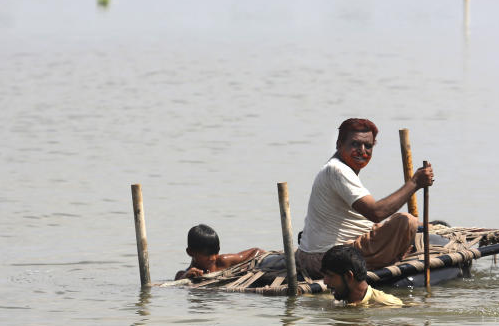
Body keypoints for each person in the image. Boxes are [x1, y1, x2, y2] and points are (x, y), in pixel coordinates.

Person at [295, 118, 434, 278]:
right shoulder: (337, 171)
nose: (362, 151)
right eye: (355, 144)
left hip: (326, 253)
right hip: (329, 259)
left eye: (368, 146)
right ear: (339, 144)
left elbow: (367, 220)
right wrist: (415, 182)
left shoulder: (340, 169)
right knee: (406, 221)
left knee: (416, 224)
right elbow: (376, 213)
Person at [320, 245, 403, 307]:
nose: (325, 281)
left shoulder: (388, 304)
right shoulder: (334, 300)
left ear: (349, 276)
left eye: (330, 276)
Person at [174, 224, 265, 281]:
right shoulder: (182, 275)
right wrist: (185, 277)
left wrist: (245, 266)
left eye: (216, 252)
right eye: (207, 254)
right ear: (190, 252)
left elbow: (256, 251)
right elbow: (178, 286)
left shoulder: (222, 261)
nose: (213, 258)